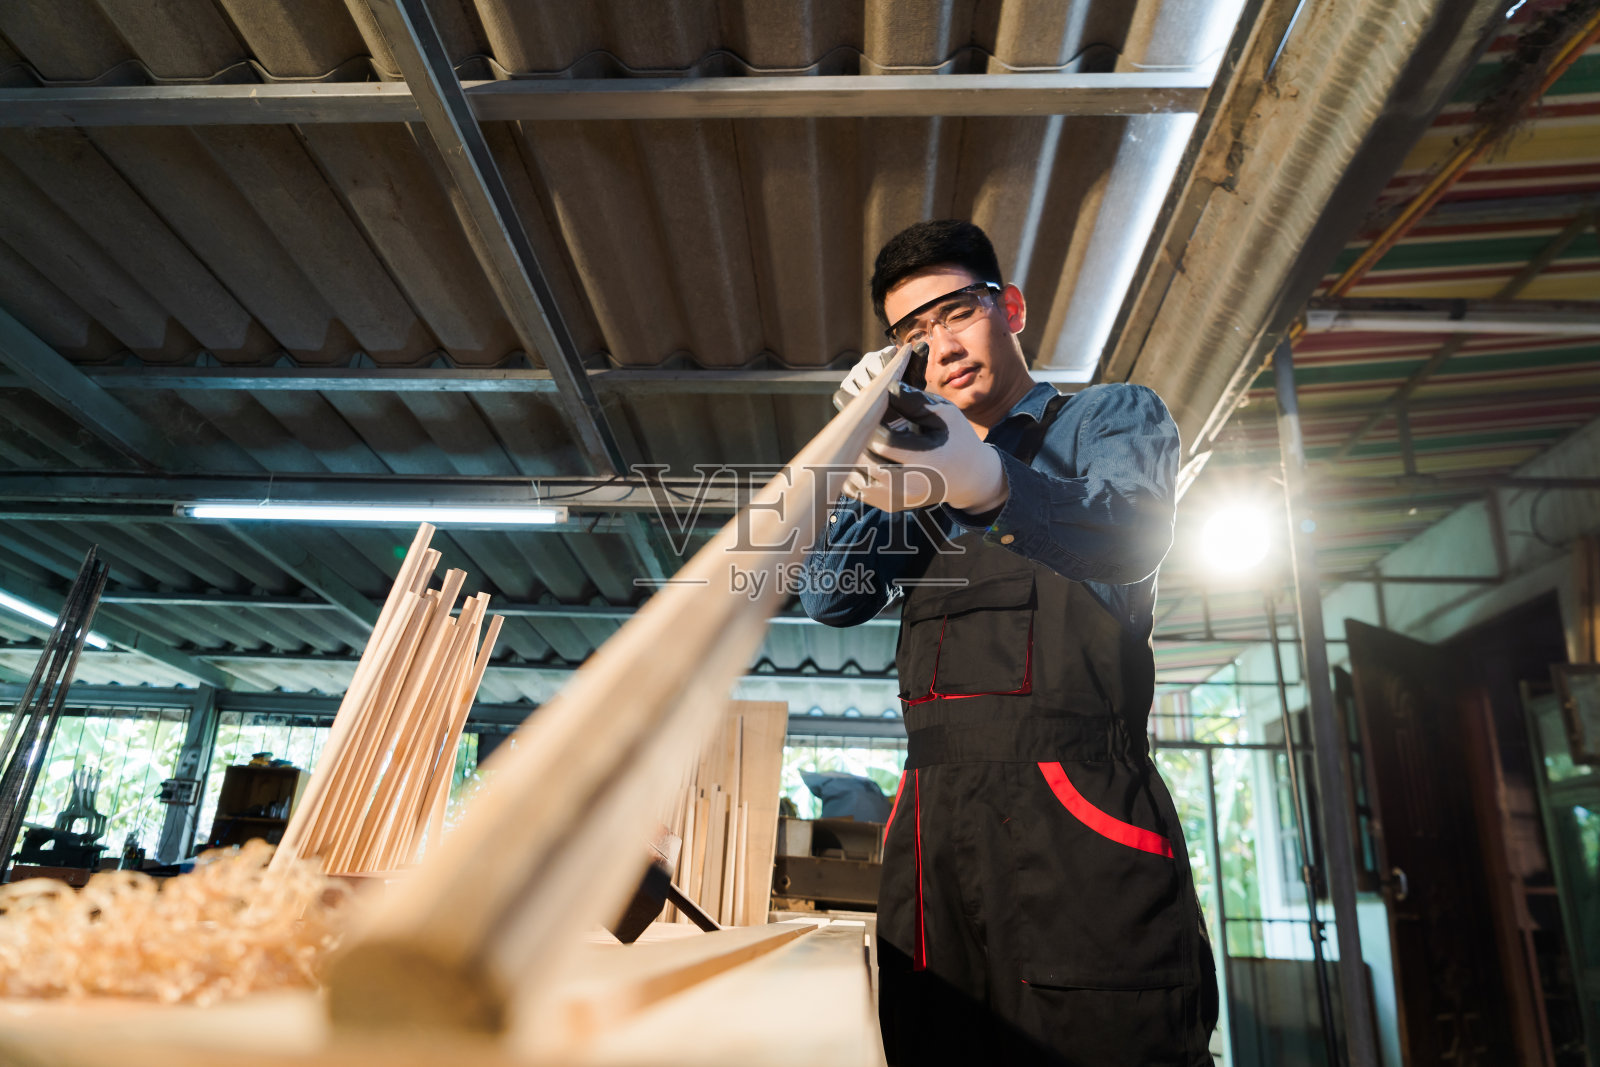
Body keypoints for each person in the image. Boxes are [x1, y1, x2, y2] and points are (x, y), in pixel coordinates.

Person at [799, 219, 1218, 1066]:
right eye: (913, 336)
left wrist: (988, 480)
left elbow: (1128, 536)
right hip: (932, 825)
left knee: (1107, 1035)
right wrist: (884, 453)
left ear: (1010, 307)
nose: (940, 345)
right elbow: (828, 596)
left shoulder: (1108, 417)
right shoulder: (919, 473)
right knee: (934, 1038)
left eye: (955, 312)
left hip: (1077, 807)